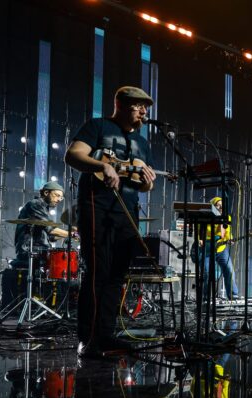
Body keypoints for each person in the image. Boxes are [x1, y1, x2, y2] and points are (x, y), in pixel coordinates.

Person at [64, 86, 156, 356]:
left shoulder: (142, 143)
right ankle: (88, 338)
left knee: (117, 276)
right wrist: (102, 165)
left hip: (126, 212)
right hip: (97, 207)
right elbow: (73, 155)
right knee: (98, 273)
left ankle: (106, 334)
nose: (144, 111)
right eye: (139, 105)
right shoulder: (98, 126)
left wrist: (147, 182)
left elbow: (144, 185)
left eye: (146, 107)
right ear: (122, 105)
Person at [12, 182, 71, 266]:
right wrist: (73, 234)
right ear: (46, 193)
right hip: (30, 250)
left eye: (61, 198)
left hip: (39, 250)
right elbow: (50, 229)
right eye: (57, 195)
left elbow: (51, 237)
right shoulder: (35, 204)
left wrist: (69, 232)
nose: (59, 200)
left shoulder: (44, 208)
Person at [199, 196, 239, 300]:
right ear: (212, 206)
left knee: (229, 270)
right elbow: (199, 229)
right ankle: (206, 296)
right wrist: (200, 239)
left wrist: (230, 239)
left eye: (222, 205)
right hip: (208, 247)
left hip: (221, 248)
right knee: (207, 272)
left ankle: (233, 295)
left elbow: (227, 232)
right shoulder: (206, 216)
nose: (221, 207)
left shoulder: (226, 217)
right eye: (218, 205)